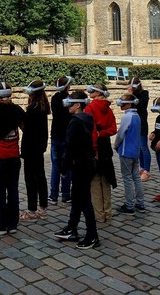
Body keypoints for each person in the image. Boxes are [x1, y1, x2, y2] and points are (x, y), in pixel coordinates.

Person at [55, 91, 99, 249]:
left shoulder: (75, 121)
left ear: (78, 105)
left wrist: (63, 167)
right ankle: (71, 228)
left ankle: (92, 235)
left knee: (84, 200)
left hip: (82, 166)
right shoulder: (87, 118)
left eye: (71, 103)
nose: (68, 106)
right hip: (86, 164)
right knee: (77, 197)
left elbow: (70, 146)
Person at [0, 82, 25, 235]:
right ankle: (13, 223)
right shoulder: (17, 110)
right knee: (13, 190)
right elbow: (25, 127)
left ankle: (0, 224)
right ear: (11, 93)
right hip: (13, 155)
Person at [85, 83, 117, 223]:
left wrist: (94, 148)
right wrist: (103, 133)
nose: (89, 93)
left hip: (96, 147)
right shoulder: (108, 110)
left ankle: (99, 215)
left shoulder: (90, 108)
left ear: (97, 93)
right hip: (105, 146)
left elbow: (90, 131)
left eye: (92, 91)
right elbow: (114, 128)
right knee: (106, 181)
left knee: (95, 182)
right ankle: (108, 213)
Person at [20, 79, 50, 221]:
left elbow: (27, 129)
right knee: (40, 177)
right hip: (39, 146)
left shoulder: (33, 108)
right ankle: (43, 208)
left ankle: (32, 210)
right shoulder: (43, 106)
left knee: (30, 179)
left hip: (31, 147)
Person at [114, 94, 145, 215]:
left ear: (129, 104)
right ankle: (140, 203)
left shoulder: (127, 116)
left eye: (123, 103)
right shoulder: (137, 116)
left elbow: (121, 134)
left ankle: (129, 205)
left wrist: (116, 145)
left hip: (126, 151)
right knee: (136, 177)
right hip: (135, 151)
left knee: (127, 178)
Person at [48, 75, 72, 205]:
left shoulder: (54, 98)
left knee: (56, 167)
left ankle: (53, 194)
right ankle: (66, 195)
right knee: (66, 166)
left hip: (56, 135)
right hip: (66, 136)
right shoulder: (69, 99)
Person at [128, 77, 151, 181]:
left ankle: (147, 170)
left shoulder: (144, 93)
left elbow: (140, 104)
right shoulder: (132, 95)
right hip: (133, 123)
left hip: (141, 123)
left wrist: (131, 94)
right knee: (138, 148)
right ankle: (141, 167)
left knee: (143, 147)